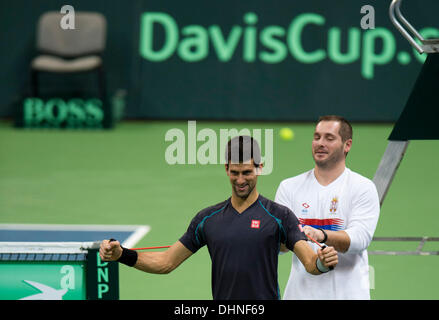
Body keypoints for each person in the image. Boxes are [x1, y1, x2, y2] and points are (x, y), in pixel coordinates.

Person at [100, 135, 338, 300]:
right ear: (226, 168)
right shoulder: (207, 219)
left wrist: (322, 262)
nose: (241, 180)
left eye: (247, 172)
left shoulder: (279, 216)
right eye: (234, 173)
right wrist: (122, 255)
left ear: (260, 167)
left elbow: (310, 262)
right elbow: (166, 263)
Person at [275, 115, 380, 300]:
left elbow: (360, 238)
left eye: (329, 138)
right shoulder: (288, 187)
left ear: (347, 145)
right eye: (317, 137)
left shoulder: (363, 187)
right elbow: (279, 246)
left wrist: (321, 235)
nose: (320, 143)